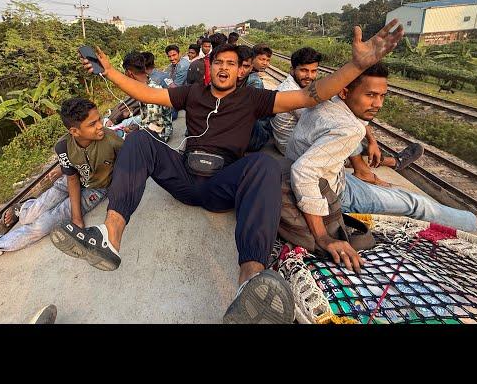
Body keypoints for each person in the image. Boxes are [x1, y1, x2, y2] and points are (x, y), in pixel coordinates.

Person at [50, 20, 404, 324]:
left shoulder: (255, 99)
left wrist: (356, 67)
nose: (223, 68)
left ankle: (250, 279)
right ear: (209, 67)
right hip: (185, 178)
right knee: (140, 140)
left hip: (222, 185)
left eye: (230, 64)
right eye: (217, 62)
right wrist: (109, 71)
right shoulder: (192, 93)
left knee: (265, 164)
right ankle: (110, 237)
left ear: (240, 70)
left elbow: (311, 95)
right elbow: (143, 91)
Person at [286, 61, 477, 272]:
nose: (378, 104)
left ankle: (372, 176)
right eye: (370, 95)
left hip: (332, 176)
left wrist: (368, 145)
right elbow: (304, 173)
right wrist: (323, 236)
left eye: (382, 96)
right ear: (345, 92)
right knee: (415, 204)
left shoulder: (328, 98)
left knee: (394, 193)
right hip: (333, 192)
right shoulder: (349, 128)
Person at [0, 98, 122, 279]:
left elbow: (130, 165)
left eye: (99, 120)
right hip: (70, 182)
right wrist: (76, 218)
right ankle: (23, 209)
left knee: (43, 225)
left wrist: (77, 218)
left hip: (95, 189)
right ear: (74, 131)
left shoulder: (111, 140)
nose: (100, 126)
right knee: (31, 215)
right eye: (92, 123)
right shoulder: (63, 146)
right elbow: (72, 178)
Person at [271, 47, 422, 183]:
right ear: (292, 70)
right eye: (304, 70)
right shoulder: (288, 91)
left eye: (314, 71)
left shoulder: (304, 87)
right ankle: (389, 162)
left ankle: (379, 161)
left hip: (304, 138)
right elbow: (326, 119)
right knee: (346, 130)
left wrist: (372, 140)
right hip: (292, 148)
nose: (309, 76)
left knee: (347, 126)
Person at [108, 52, 173, 142]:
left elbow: (155, 131)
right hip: (154, 129)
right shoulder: (146, 86)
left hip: (159, 137)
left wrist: (133, 133)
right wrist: (137, 127)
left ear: (129, 73)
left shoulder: (150, 93)